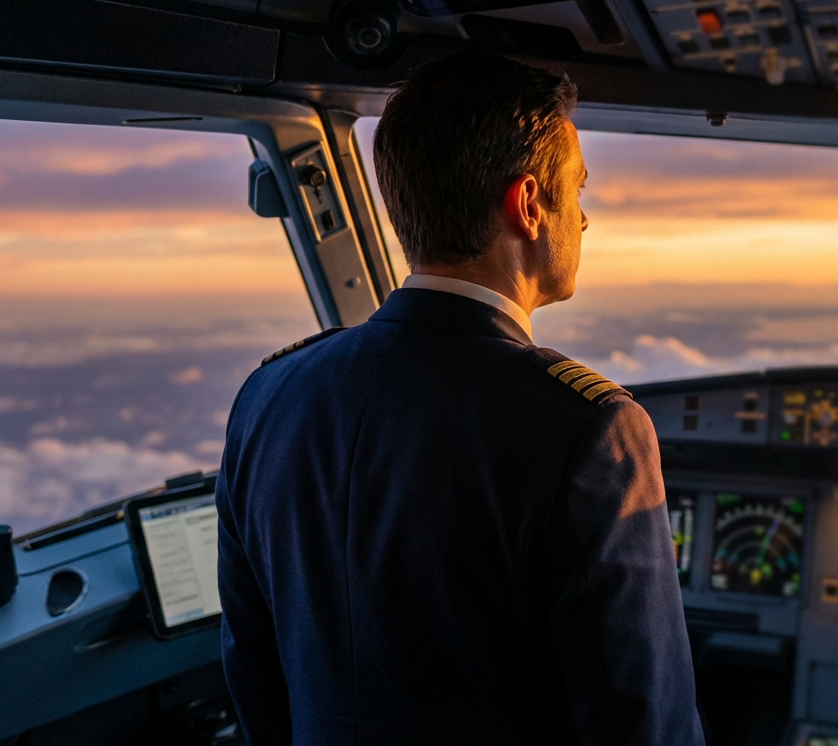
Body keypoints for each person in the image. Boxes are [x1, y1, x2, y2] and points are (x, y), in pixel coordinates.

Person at [215, 52, 704, 745]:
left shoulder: (270, 396)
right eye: (579, 192)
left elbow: (255, 677)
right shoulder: (589, 433)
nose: (586, 221)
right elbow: (644, 725)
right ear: (529, 205)